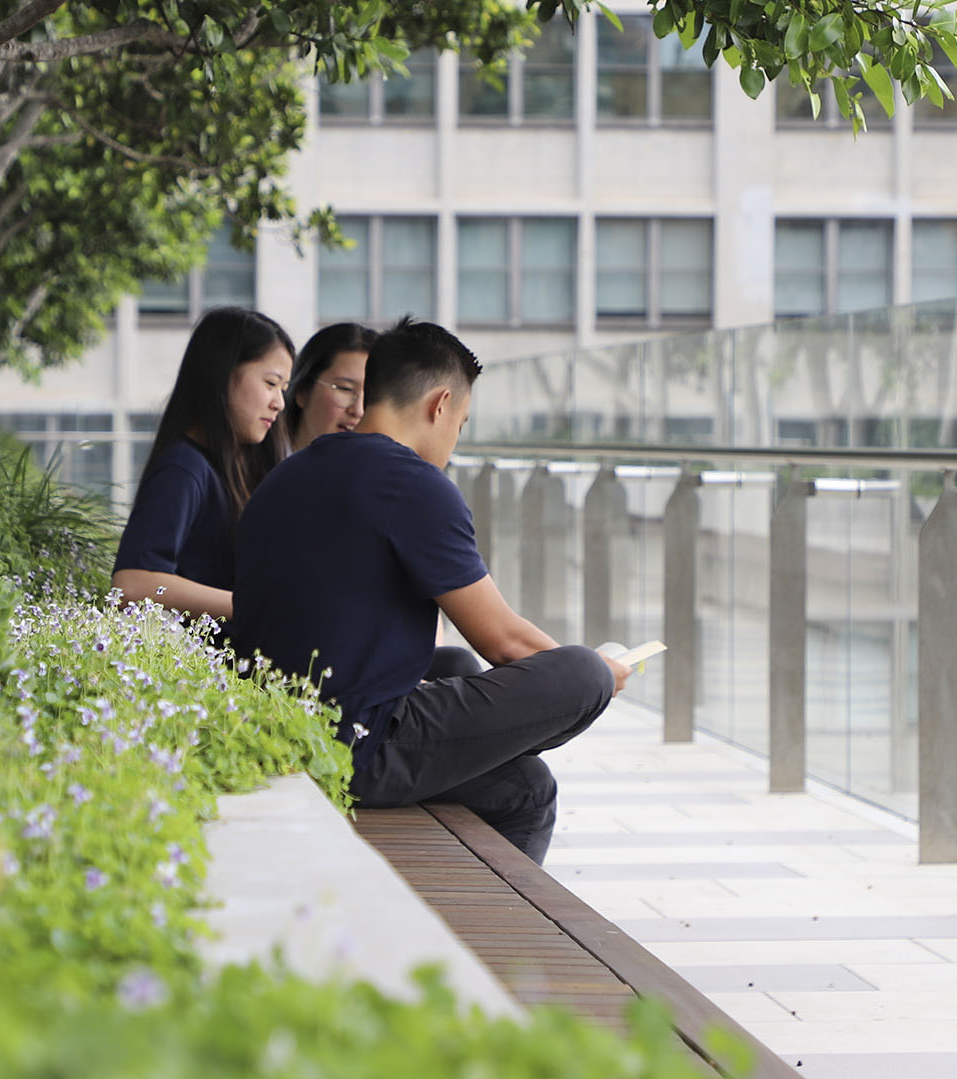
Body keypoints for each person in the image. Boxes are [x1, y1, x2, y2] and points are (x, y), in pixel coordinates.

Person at [230, 317, 630, 863]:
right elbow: (505, 641)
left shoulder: (290, 473)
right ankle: (489, 942)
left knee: (521, 781)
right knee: (579, 671)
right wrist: (600, 679)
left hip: (278, 722)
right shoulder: (414, 484)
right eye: (460, 425)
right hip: (354, 746)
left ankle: (470, 927)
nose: (453, 442)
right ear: (441, 405)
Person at [112, 306, 295, 621]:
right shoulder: (184, 469)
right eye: (270, 383)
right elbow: (132, 584)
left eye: (283, 389)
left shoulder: (233, 467)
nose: (279, 402)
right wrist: (251, 606)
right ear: (223, 374)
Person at [284, 322, 377, 450]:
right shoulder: (261, 466)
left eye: (372, 395)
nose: (358, 411)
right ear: (303, 391)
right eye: (345, 389)